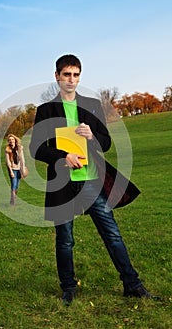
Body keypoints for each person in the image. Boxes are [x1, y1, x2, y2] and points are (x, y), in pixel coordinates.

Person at [29, 54, 161, 305]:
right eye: (67, 74)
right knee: (65, 239)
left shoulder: (91, 104)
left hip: (91, 182)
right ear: (57, 76)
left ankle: (132, 284)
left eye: (76, 74)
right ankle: (68, 288)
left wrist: (91, 135)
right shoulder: (45, 110)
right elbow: (36, 148)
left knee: (112, 234)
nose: (72, 80)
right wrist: (62, 156)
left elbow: (107, 143)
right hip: (62, 183)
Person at [5, 134, 26, 205]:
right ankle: (13, 202)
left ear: (15, 140)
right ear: (8, 141)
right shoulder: (7, 149)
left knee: (17, 185)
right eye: (10, 140)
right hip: (13, 169)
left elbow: (22, 160)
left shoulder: (19, 148)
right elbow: (7, 161)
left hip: (19, 169)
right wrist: (11, 171)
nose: (11, 141)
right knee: (13, 184)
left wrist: (23, 170)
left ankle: (12, 199)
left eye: (12, 139)